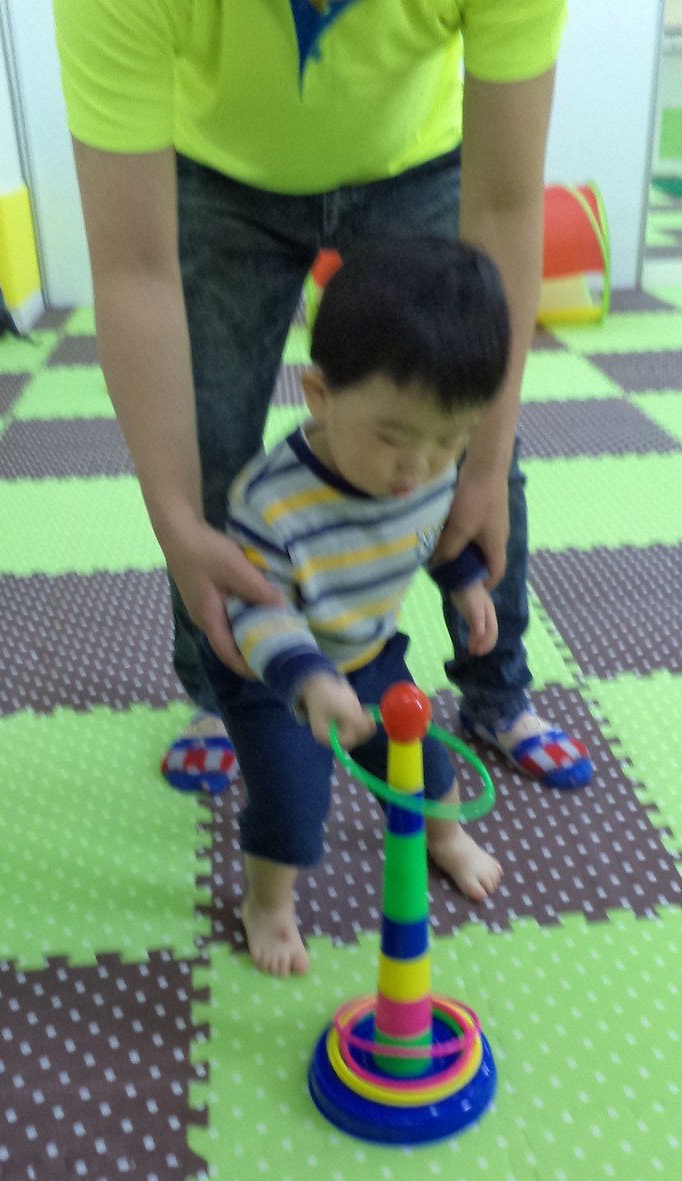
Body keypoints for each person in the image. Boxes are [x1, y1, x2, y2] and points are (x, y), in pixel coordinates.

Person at [53, 0, 592, 799]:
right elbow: (134, 270)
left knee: (463, 426)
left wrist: (478, 468)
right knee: (207, 453)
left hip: (415, 163)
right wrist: (174, 519)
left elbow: (506, 207)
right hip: (218, 176)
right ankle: (220, 694)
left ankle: (497, 688)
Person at [202, 237, 507, 973]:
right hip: (274, 676)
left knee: (424, 762)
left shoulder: (430, 466)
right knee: (291, 804)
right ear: (319, 396)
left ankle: (442, 835)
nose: (419, 467)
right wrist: (309, 679)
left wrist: (463, 579)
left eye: (451, 439)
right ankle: (267, 903)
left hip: (371, 653)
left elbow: (430, 532)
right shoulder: (270, 502)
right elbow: (254, 610)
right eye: (394, 438)